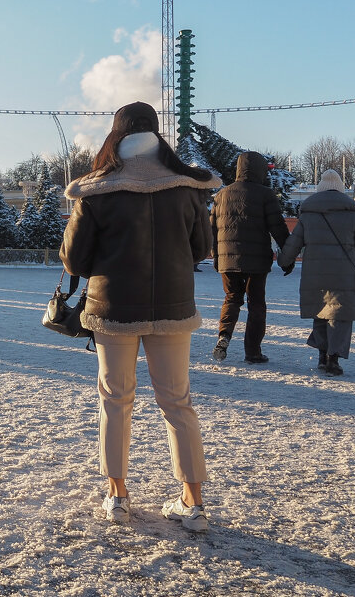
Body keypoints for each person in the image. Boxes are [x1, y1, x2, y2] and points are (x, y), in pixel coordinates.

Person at [60, 101, 221, 532]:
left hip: (112, 309)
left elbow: (74, 261)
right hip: (173, 307)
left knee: (115, 401)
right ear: (156, 136)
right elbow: (201, 251)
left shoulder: (97, 188)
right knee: (178, 403)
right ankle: (194, 502)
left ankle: (117, 495)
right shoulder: (187, 186)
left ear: (117, 136)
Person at [277, 170, 355, 377]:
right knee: (340, 316)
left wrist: (284, 261)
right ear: (341, 189)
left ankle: (322, 356)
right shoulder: (353, 215)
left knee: (321, 311)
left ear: (320, 189)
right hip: (345, 275)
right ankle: (333, 360)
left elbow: (293, 244)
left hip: (314, 274)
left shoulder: (308, 215)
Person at [210, 151, 291, 364]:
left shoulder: (221, 195)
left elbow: (212, 230)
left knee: (232, 299)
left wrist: (217, 258)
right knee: (256, 304)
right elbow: (278, 228)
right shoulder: (265, 194)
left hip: (228, 260)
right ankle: (253, 351)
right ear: (260, 171)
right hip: (257, 261)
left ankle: (224, 336)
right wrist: (289, 256)